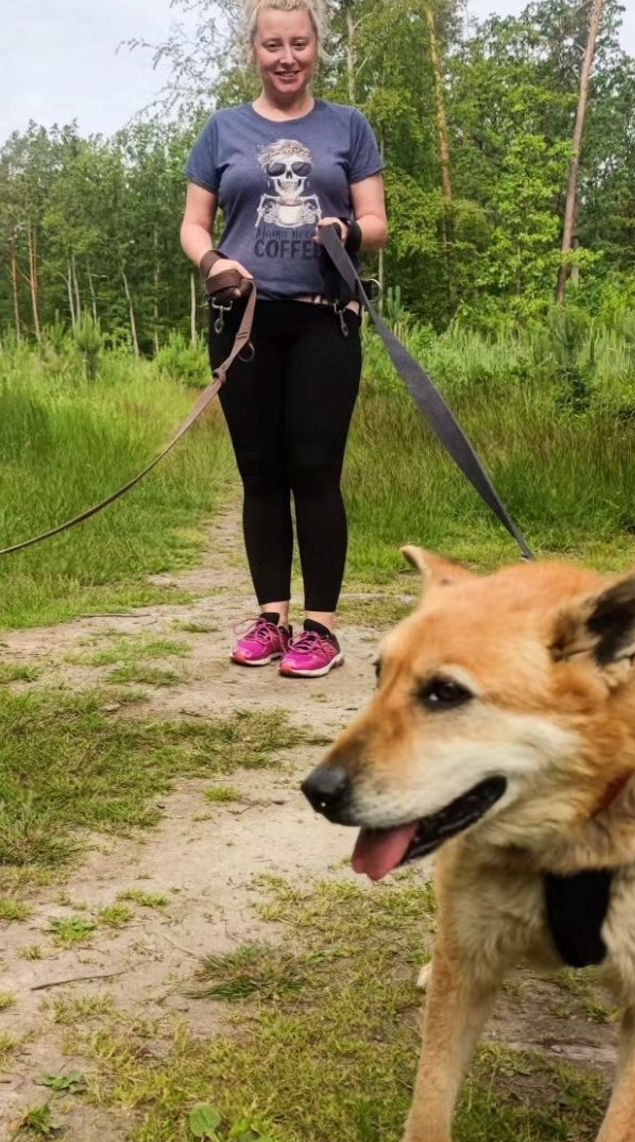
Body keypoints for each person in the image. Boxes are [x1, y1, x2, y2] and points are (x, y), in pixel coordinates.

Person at [179, 0, 388, 678]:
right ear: (254, 51)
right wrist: (214, 264)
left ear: (316, 47)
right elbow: (193, 226)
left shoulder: (348, 127)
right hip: (244, 320)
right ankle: (271, 618)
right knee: (260, 473)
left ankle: (320, 630)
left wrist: (348, 234)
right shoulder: (222, 131)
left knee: (315, 470)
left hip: (325, 315)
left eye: (299, 43)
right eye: (274, 45)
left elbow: (376, 221)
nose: (287, 56)